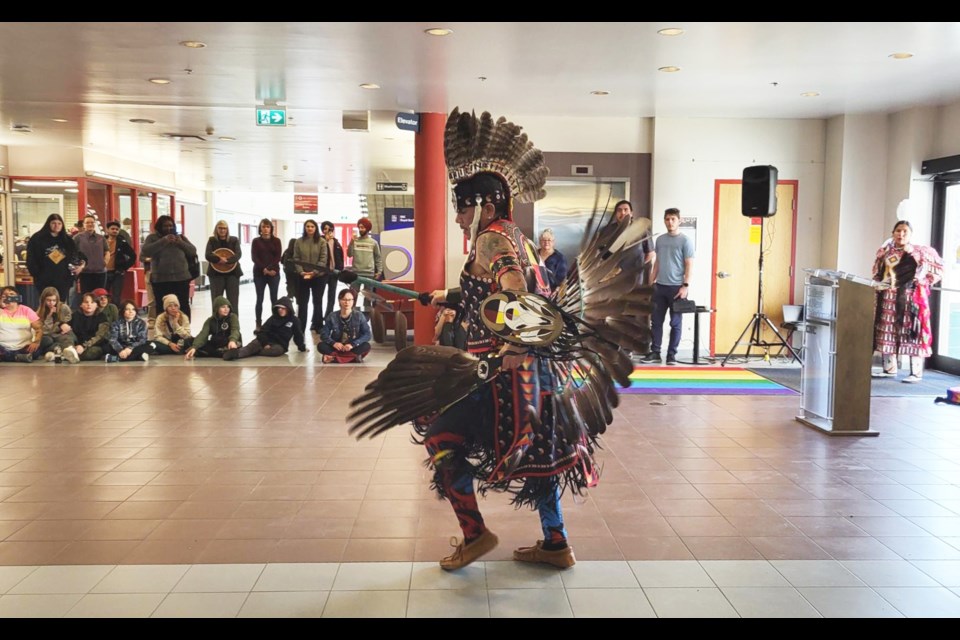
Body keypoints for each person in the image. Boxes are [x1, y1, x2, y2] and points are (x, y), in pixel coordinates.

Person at [871, 220, 944, 383]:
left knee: (913, 332)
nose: (901, 234)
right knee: (887, 329)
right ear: (892, 233)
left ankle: (916, 372)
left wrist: (921, 280)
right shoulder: (885, 252)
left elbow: (936, 270)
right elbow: (878, 271)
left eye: (905, 232)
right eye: (898, 231)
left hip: (910, 298)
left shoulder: (920, 252)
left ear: (910, 234)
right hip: (888, 298)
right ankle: (889, 368)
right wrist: (877, 283)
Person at [641, 207, 694, 365]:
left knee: (675, 322)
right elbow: (657, 262)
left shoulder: (685, 241)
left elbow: (689, 264)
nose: (670, 222)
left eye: (673, 219)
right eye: (667, 219)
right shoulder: (661, 240)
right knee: (656, 322)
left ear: (679, 220)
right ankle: (655, 352)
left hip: (677, 288)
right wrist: (651, 282)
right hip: (660, 287)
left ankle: (672, 354)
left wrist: (685, 286)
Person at [140, 215, 197, 320]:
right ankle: (163, 330)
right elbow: (146, 251)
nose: (169, 228)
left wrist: (179, 242)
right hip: (160, 279)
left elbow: (192, 251)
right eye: (165, 226)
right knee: (161, 307)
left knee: (183, 305)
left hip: (181, 278)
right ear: (159, 227)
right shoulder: (152, 238)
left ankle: (184, 330)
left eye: (171, 225)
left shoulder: (181, 237)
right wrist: (163, 241)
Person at [224, 297, 306, 360]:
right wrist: (265, 343)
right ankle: (233, 354)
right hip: (264, 340)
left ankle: (255, 352)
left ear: (288, 309)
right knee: (250, 347)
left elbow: (298, 335)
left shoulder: (295, 320)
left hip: (279, 344)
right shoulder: (273, 318)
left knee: (276, 351)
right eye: (279, 308)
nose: (280, 310)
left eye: (283, 308)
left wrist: (302, 347)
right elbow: (262, 331)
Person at [25, 213, 82, 303]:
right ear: (48, 224)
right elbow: (31, 259)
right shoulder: (37, 238)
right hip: (43, 279)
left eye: (59, 223)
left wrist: (80, 266)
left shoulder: (67, 240)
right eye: (53, 223)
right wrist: (37, 275)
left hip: (63, 280)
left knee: (60, 305)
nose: (56, 226)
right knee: (45, 304)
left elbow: (76, 255)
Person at [292, 219, 329, 333]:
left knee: (317, 302)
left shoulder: (322, 242)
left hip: (318, 277)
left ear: (315, 228)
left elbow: (323, 259)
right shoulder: (298, 241)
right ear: (304, 228)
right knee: (303, 303)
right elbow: (296, 258)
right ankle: (301, 327)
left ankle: (318, 326)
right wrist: (301, 272)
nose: (309, 228)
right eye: (307, 226)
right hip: (303, 277)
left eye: (312, 226)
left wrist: (314, 272)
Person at [317, 289, 371, 363]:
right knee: (321, 346)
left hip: (352, 347)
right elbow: (324, 334)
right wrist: (333, 343)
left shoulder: (359, 315)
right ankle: (353, 358)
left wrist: (353, 344)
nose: (347, 302)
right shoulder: (332, 316)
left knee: (366, 346)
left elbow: (367, 334)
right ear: (339, 301)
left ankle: (333, 358)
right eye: (344, 299)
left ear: (353, 301)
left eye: (349, 300)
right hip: (337, 347)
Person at [205, 219, 243, 313]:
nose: (222, 230)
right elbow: (208, 255)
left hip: (233, 274)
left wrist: (227, 261)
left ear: (227, 229)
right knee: (217, 301)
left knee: (233, 302)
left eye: (224, 228)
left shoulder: (234, 240)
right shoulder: (212, 240)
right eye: (220, 228)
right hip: (216, 275)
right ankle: (216, 325)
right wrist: (218, 259)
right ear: (216, 229)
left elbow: (238, 254)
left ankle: (234, 325)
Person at [347, 216, 382, 315]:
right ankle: (351, 316)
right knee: (352, 296)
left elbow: (378, 258)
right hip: (356, 273)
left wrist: (379, 271)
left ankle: (365, 320)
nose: (360, 229)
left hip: (369, 274)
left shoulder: (373, 243)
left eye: (363, 227)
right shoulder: (355, 241)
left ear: (367, 228)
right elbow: (349, 254)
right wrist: (351, 242)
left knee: (367, 298)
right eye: (359, 227)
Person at [251, 218, 282, 331]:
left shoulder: (277, 241)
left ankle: (276, 322)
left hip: (274, 273)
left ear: (271, 228)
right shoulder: (256, 241)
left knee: (274, 299)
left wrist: (268, 269)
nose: (265, 229)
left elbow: (278, 257)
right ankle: (258, 324)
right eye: (263, 226)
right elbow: (254, 257)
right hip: (259, 274)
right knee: (259, 299)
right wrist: (264, 269)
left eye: (268, 227)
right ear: (260, 228)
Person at [0, 285, 44, 363]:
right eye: (5, 295)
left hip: (23, 347)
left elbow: (39, 329)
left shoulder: (26, 310)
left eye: (11, 294)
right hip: (3, 347)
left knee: (36, 350)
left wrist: (36, 342)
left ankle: (12, 357)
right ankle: (17, 357)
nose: (9, 296)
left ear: (17, 297)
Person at [36, 286, 79, 362]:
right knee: (47, 341)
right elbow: (45, 331)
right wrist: (49, 315)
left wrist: (63, 324)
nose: (51, 303)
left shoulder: (63, 307)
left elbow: (69, 321)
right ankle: (60, 354)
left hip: (61, 334)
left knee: (67, 338)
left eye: (54, 300)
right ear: (43, 300)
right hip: (49, 335)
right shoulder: (40, 311)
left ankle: (70, 353)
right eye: (48, 300)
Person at [69, 292, 111, 361]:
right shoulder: (75, 315)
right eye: (86, 302)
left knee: (93, 352)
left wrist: (84, 346)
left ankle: (70, 355)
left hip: (93, 345)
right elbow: (68, 330)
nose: (89, 304)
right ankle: (71, 352)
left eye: (92, 302)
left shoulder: (102, 317)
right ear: (81, 305)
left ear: (97, 305)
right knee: (66, 334)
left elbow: (100, 336)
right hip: (76, 344)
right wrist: (63, 324)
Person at [103, 220, 137, 304]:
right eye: (112, 229)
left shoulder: (122, 242)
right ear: (107, 230)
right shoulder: (102, 241)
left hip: (117, 273)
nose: (115, 231)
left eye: (117, 229)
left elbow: (133, 256)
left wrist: (124, 267)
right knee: (103, 294)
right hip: (103, 272)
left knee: (116, 296)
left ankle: (116, 314)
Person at [74, 214, 108, 295]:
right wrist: (77, 265)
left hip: (100, 273)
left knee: (100, 296)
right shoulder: (77, 238)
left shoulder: (101, 238)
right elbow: (72, 252)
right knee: (86, 297)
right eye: (87, 222)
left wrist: (105, 262)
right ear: (83, 225)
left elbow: (107, 251)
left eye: (92, 222)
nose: (90, 224)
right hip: (84, 273)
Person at [320, 221, 345, 318]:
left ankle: (328, 316)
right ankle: (317, 319)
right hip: (323, 272)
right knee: (319, 296)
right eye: (325, 229)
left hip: (334, 272)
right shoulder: (320, 241)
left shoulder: (336, 242)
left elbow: (340, 257)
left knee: (332, 296)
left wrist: (340, 269)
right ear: (322, 230)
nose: (327, 231)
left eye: (329, 229)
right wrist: (325, 241)